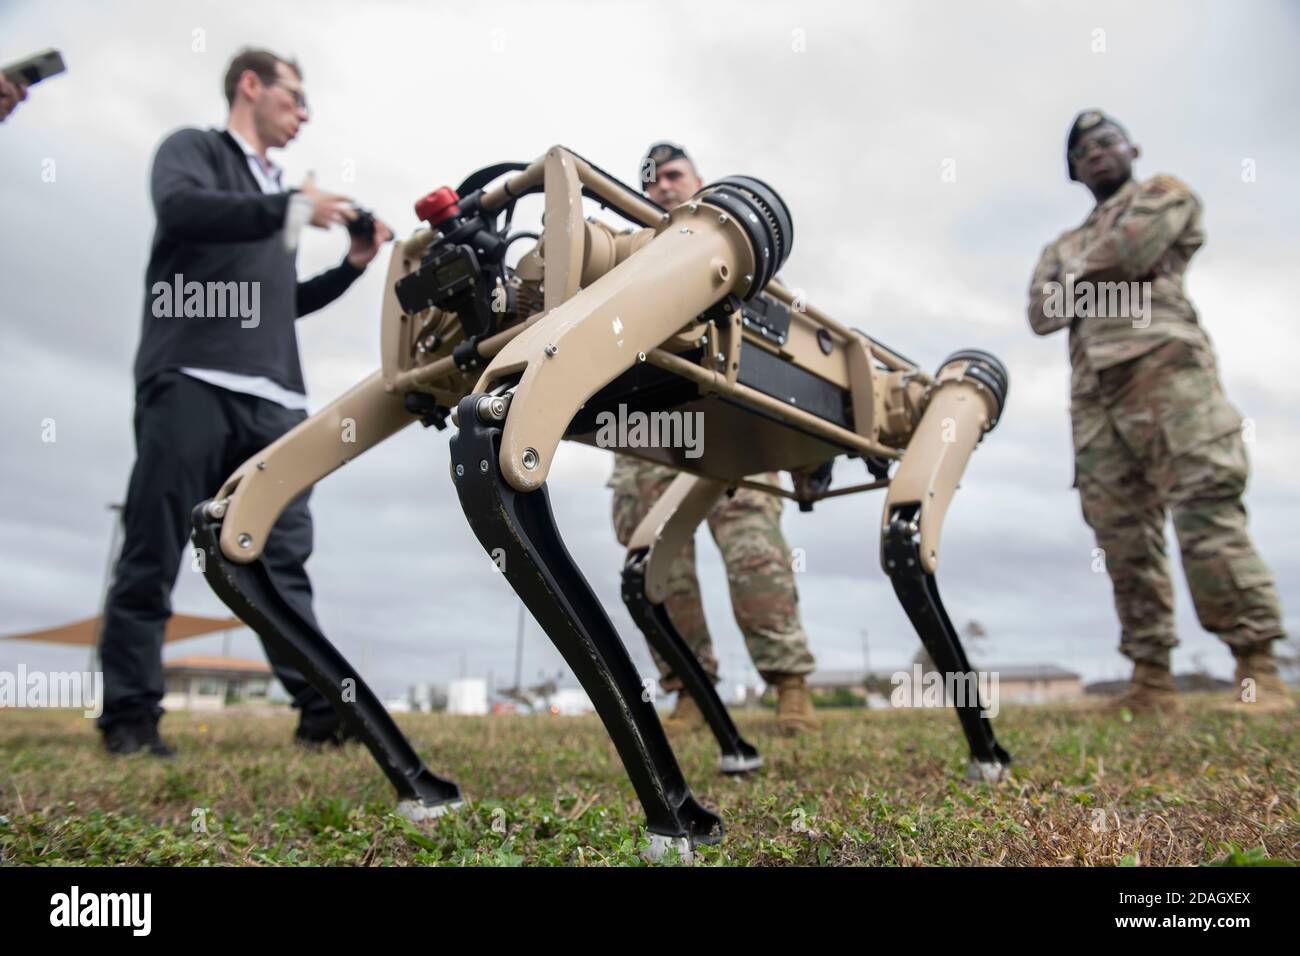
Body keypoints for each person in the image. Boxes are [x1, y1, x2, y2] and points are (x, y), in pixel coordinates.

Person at [97, 47, 394, 755]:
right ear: (250, 86)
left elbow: (278, 302)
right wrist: (291, 206)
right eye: (295, 97)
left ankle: (322, 713)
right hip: (191, 378)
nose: (304, 114)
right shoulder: (194, 151)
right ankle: (130, 716)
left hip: (274, 398)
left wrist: (353, 266)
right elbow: (180, 210)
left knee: (279, 559)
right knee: (153, 546)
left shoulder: (276, 194)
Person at [1027, 110, 1291, 716]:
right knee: (1121, 535)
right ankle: (1151, 680)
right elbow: (1041, 315)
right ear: (1074, 171)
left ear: (1132, 149)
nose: (1096, 153)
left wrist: (1075, 281)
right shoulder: (1059, 243)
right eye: (1083, 151)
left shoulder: (1163, 194)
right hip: (1094, 399)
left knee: (1205, 509)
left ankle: (1258, 671)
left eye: (1106, 142)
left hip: (1168, 377)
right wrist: (1091, 274)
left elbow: (1131, 251)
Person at [608, 142, 818, 735]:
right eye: (652, 180)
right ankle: (689, 689)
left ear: (699, 181)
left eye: (673, 175)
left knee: (755, 551)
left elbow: (782, 335)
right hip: (649, 422)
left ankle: (790, 685)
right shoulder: (630, 252)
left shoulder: (740, 248)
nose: (662, 186)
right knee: (657, 561)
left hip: (731, 419)